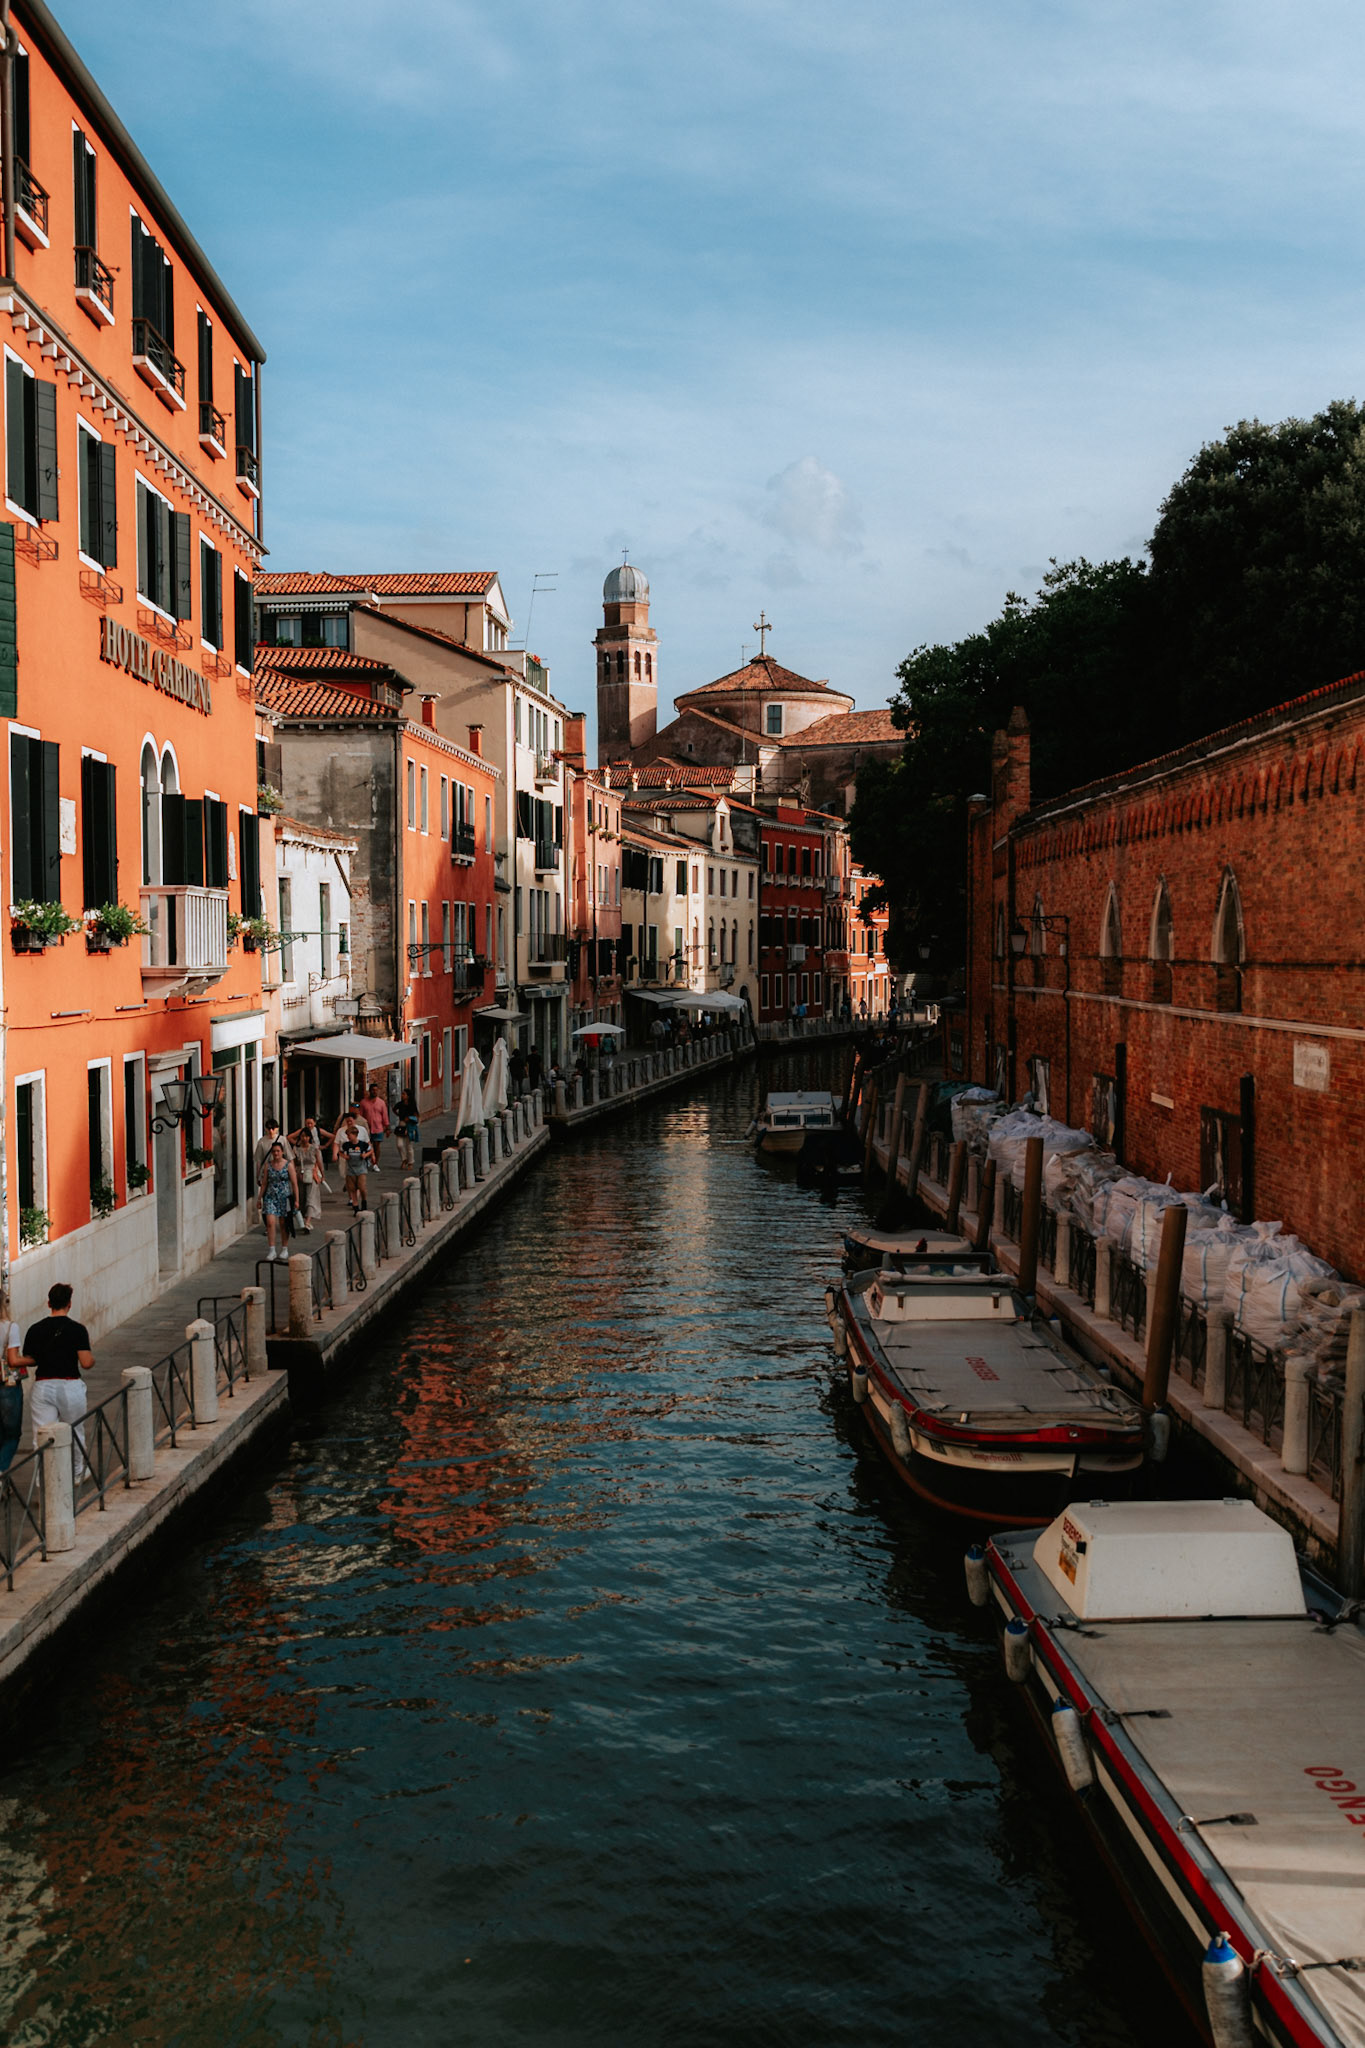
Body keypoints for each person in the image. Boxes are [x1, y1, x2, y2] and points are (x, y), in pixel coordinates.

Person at [26, 1283, 94, 1480]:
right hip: (69, 1385)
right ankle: (77, 1473)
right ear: (69, 1304)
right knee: (75, 1431)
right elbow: (86, 1363)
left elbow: (31, 1359)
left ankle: (44, 1479)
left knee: (42, 1435)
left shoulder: (35, 1329)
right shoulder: (77, 1330)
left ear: (49, 1303)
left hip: (42, 1386)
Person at [0, 1287, 29, 1474]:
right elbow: (13, 1360)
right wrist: (32, 1359)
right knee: (11, 1434)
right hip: (6, 1386)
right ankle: (1, 1471)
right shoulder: (10, 1327)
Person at [257, 1140, 300, 1261]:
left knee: (283, 1223)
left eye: (278, 1151)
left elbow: (294, 1183)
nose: (276, 1153)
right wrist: (259, 1198)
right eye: (274, 1151)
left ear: (282, 1152)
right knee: (270, 1223)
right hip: (270, 1197)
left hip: (284, 1197)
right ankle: (272, 1249)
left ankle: (284, 1248)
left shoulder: (288, 1165)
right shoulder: (268, 1166)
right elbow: (264, 1183)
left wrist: (297, 1200)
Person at [289, 1117, 329, 1231]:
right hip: (299, 1174)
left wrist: (322, 1175)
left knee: (311, 1198)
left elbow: (319, 1162)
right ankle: (304, 1219)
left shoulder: (314, 1149)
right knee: (301, 1198)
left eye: (306, 1136)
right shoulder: (296, 1149)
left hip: (312, 1174)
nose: (304, 1138)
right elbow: (292, 1163)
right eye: (302, 1136)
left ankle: (307, 1222)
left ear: (310, 1138)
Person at [333, 1115, 376, 1213]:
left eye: (349, 1136)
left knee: (362, 1187)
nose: (348, 1138)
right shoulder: (346, 1145)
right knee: (352, 1188)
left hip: (361, 1168)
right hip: (350, 1169)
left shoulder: (362, 1144)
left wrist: (366, 1155)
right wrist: (344, 1156)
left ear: (355, 1135)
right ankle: (355, 1206)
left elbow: (370, 1149)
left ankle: (364, 1201)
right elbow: (340, 1151)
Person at [359, 1080, 390, 1168]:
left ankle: (375, 1163)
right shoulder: (363, 1102)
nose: (374, 1092)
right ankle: (368, 1160)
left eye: (376, 1090)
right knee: (366, 1146)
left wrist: (387, 1127)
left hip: (378, 1128)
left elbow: (385, 1116)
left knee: (376, 1146)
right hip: (367, 1128)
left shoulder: (381, 1103)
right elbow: (360, 1115)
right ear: (370, 1091)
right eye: (373, 1090)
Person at [394, 1089, 419, 1171]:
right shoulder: (400, 1104)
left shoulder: (412, 1105)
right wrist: (399, 1115)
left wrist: (410, 1118)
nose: (402, 1095)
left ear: (408, 1096)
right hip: (401, 1125)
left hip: (410, 1126)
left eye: (404, 1094)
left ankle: (410, 1162)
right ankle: (404, 1159)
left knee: (409, 1146)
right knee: (399, 1144)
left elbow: (417, 1116)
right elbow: (394, 1109)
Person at [252, 1117, 282, 1183]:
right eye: (269, 1128)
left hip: (280, 1172)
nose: (271, 1131)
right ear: (266, 1129)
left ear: (277, 1129)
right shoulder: (261, 1142)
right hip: (266, 1172)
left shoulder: (282, 1140)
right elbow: (259, 1160)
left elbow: (289, 1158)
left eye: (273, 1128)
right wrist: (258, 1176)